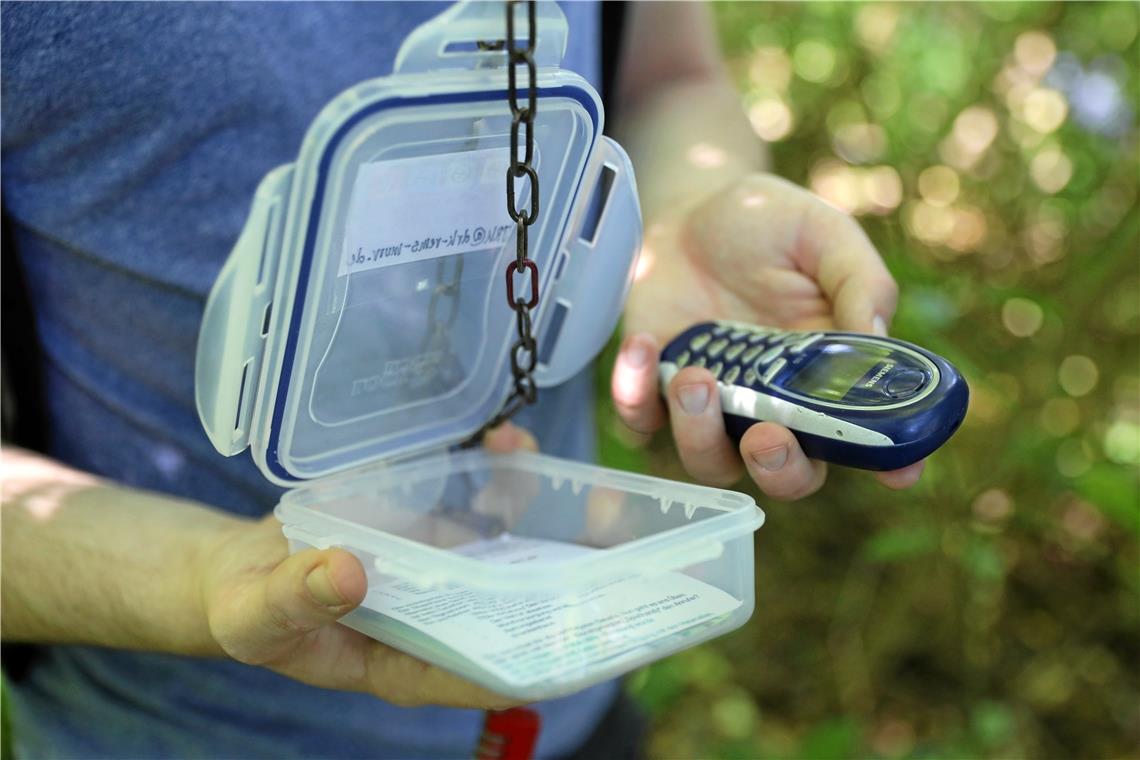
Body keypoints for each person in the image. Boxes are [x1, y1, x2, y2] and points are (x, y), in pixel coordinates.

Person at [0, 2, 923, 757]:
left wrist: (683, 213)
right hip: (179, 731)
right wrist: (208, 580)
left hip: (570, 670)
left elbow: (670, 75)